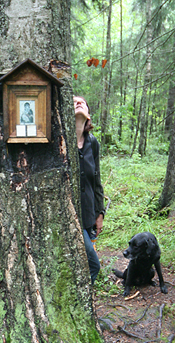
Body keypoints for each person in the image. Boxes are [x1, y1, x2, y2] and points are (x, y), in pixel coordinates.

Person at [74, 95, 105, 284]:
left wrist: (99, 213)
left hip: (88, 213)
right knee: (94, 264)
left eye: (82, 102)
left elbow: (97, 180)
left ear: (88, 115)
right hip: (70, 213)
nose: (78, 103)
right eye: (73, 102)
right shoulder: (62, 143)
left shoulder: (92, 143)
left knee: (85, 260)